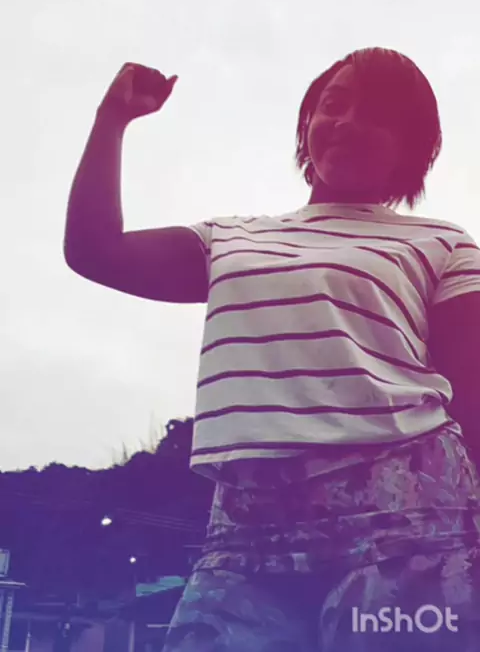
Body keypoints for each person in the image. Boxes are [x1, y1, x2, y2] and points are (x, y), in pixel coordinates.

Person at [64, 48, 480, 651]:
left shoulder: (442, 243)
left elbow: (472, 395)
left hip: (408, 524)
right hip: (245, 534)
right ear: (307, 125)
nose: (347, 123)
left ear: (412, 147)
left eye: (378, 115)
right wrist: (112, 120)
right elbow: (95, 251)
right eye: (334, 105)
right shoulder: (229, 238)